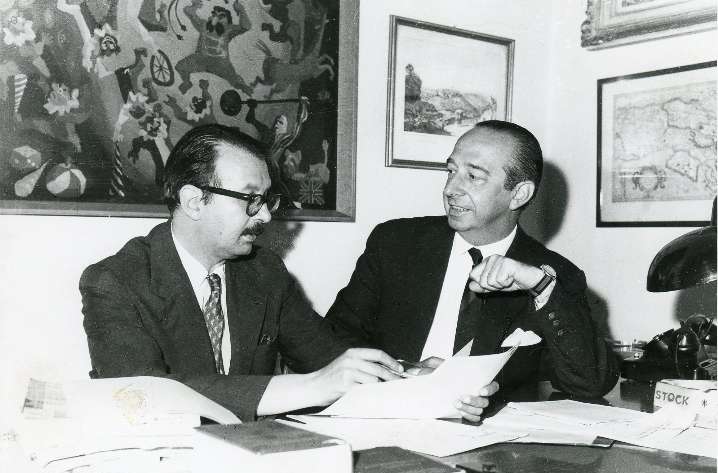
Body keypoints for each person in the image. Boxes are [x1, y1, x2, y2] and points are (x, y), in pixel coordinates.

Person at [79, 124, 407, 422]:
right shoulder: (114, 281)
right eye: (251, 199)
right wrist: (311, 387)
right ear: (194, 202)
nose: (265, 216)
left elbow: (328, 359)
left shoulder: (265, 272)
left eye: (266, 200)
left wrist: (409, 376)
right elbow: (140, 395)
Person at [325, 120, 620, 421]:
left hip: (488, 438)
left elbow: (591, 383)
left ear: (519, 194)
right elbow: (333, 338)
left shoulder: (552, 275)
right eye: (451, 171)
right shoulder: (395, 243)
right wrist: (403, 371)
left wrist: (539, 286)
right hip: (384, 419)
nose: (451, 189)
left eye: (473, 176)